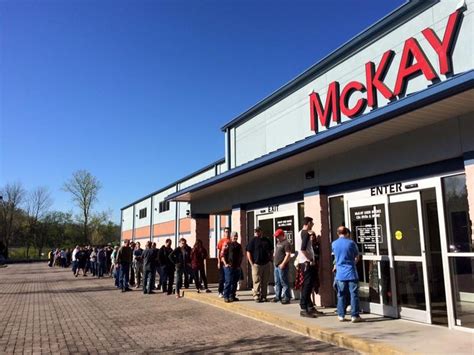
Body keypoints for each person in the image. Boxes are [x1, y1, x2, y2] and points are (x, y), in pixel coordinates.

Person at [332, 226, 363, 323]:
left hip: (340, 274)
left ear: (338, 233)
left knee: (341, 294)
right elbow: (357, 257)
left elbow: (336, 258)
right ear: (347, 233)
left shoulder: (334, 244)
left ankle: (341, 315)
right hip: (351, 272)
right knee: (354, 294)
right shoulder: (351, 243)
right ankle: (355, 315)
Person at [297, 217, 319, 318]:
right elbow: (303, 249)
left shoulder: (300, 233)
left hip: (304, 262)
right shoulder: (305, 233)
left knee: (309, 285)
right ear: (309, 223)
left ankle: (310, 307)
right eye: (312, 222)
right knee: (307, 285)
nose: (313, 224)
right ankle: (303, 308)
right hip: (306, 263)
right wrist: (310, 259)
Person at [246, 226, 273, 303]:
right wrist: (251, 263)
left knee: (265, 281)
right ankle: (256, 296)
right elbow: (248, 251)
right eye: (256, 231)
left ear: (261, 232)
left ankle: (264, 296)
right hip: (256, 264)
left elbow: (271, 250)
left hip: (266, 264)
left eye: (258, 231)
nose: (257, 233)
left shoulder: (266, 240)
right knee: (256, 281)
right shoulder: (253, 241)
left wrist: (270, 259)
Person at [222, 231, 243, 302]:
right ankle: (226, 296)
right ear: (231, 237)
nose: (235, 237)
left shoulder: (239, 246)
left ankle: (232, 296)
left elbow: (241, 255)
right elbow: (223, 255)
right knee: (228, 282)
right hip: (229, 267)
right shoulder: (227, 244)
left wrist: (239, 265)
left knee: (234, 282)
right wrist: (225, 264)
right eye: (234, 236)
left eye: (236, 236)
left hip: (236, 267)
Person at [272, 229, 292, 304]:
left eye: (277, 236)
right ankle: (278, 296)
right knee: (277, 282)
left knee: (284, 282)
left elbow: (288, 255)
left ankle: (287, 297)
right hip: (276, 265)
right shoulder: (278, 243)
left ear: (281, 235)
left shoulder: (286, 243)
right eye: (276, 236)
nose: (276, 238)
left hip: (282, 266)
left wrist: (283, 264)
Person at [216, 227, 231, 298]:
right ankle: (220, 291)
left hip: (230, 262)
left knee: (229, 278)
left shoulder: (231, 241)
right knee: (222, 278)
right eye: (226, 231)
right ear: (224, 232)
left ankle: (228, 292)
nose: (227, 233)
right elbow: (219, 252)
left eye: (228, 231)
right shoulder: (221, 241)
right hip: (222, 262)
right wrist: (219, 262)